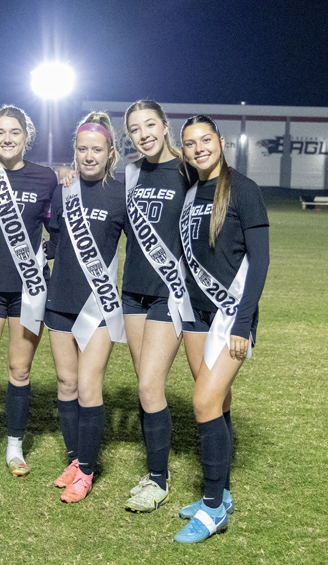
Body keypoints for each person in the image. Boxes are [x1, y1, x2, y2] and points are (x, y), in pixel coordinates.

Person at [174, 115, 269, 543]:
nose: (199, 148)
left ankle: (213, 509)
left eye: (205, 140)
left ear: (221, 141)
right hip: (195, 313)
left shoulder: (244, 190)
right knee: (218, 403)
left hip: (231, 315)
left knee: (202, 401)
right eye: (190, 143)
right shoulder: (192, 190)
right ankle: (222, 494)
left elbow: (260, 262)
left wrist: (245, 323)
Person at [0, 105, 57, 486]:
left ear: (26, 136)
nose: (7, 138)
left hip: (28, 290)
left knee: (20, 371)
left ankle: (14, 448)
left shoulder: (46, 177)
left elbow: (57, 226)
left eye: (14, 131)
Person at [46, 112, 126, 503]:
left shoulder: (121, 192)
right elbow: (53, 241)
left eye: (97, 149)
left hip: (99, 306)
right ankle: (75, 460)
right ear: (74, 152)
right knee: (67, 383)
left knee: (90, 385)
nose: (89, 156)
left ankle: (88, 471)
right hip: (59, 299)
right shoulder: (64, 190)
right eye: (82, 149)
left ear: (110, 151)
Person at [120, 100, 194, 513]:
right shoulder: (131, 173)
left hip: (171, 292)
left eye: (150, 124)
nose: (144, 133)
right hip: (132, 291)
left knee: (150, 385)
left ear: (165, 127)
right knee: (145, 388)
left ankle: (159, 481)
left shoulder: (187, 171)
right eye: (135, 128)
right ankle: (153, 471)